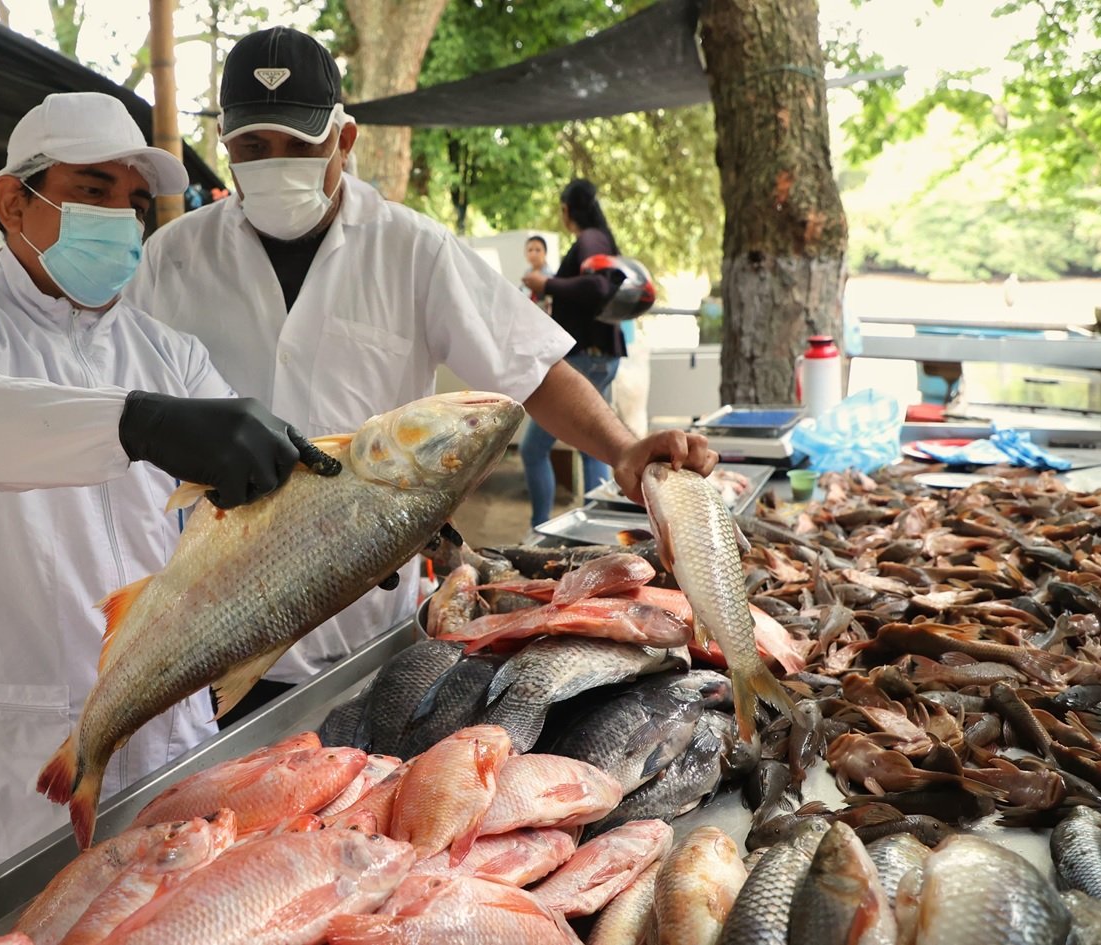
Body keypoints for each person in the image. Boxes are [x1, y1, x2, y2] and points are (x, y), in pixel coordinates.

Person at [124, 27, 719, 716]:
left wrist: (621, 448)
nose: (275, 164)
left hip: (362, 627)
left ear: (343, 139)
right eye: (254, 147)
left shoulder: (412, 249)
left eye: (299, 144)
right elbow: (120, 405)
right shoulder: (172, 259)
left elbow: (529, 367)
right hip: (205, 621)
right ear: (224, 143)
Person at [0, 91, 312, 896]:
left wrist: (337, 518)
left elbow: (248, 500)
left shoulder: (166, 351)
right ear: (11, 201)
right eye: (92, 190)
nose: (119, 219)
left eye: (132, 202)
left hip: (159, 721)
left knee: (162, 910)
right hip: (0, 744)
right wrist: (136, 423)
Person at [520, 179, 627, 527]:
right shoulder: (600, 238)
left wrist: (547, 284)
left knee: (533, 449)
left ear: (567, 210)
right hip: (599, 357)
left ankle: (539, 529)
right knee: (592, 446)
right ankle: (597, 529)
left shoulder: (590, 239)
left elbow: (598, 286)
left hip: (585, 359)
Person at [522, 234, 552, 311]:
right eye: (530, 250)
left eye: (538, 250)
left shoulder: (550, 276)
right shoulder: (527, 274)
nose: (533, 254)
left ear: (545, 253)